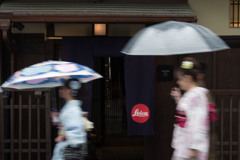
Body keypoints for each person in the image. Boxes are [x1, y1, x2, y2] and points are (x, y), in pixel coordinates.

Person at [170, 57, 210, 160]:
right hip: (184, 147)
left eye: (179, 79)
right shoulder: (191, 95)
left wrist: (194, 147)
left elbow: (199, 123)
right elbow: (187, 114)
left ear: (187, 78)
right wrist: (178, 99)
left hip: (190, 150)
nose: (178, 82)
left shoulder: (198, 96)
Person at [51, 78, 87, 160]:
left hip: (71, 149)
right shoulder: (70, 106)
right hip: (70, 148)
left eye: (62, 88)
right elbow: (65, 125)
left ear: (69, 90)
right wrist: (56, 118)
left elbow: (76, 131)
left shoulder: (72, 108)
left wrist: (62, 137)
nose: (60, 90)